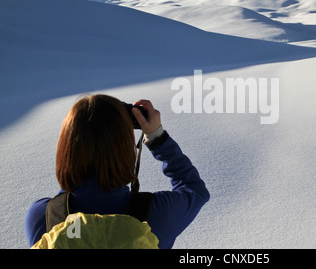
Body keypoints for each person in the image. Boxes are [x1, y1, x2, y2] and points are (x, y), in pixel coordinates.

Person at [24, 94, 209, 249]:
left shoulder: (43, 216)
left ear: (66, 149)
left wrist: (74, 169)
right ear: (126, 149)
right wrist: (157, 137)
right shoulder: (157, 214)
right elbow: (195, 190)